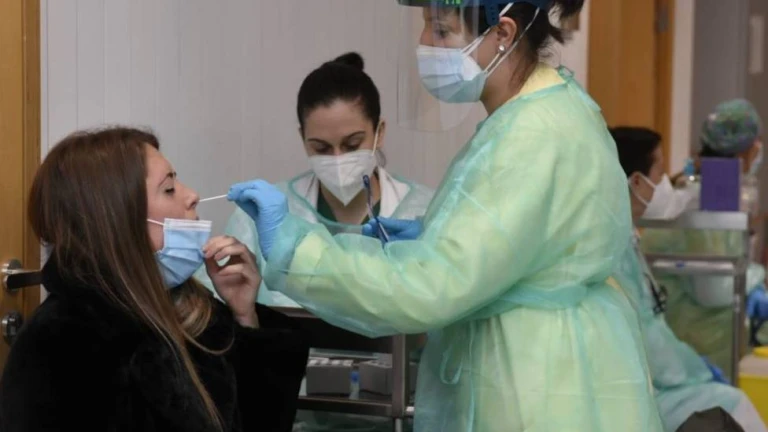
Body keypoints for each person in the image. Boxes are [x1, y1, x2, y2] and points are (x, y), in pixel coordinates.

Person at [227, 1, 663, 431]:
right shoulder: (546, 107)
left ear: (503, 33)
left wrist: (293, 248)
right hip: (551, 369)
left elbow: (428, 289)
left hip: (532, 384)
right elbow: (531, 243)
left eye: (440, 29)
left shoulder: (530, 135)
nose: (424, 42)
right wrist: (435, 234)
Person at [0, 127, 309, 432]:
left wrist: (244, 316)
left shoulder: (194, 309)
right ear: (117, 219)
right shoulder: (58, 345)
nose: (192, 196)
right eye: (169, 188)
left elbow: (257, 419)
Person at [205, 52, 433, 308]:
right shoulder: (259, 219)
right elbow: (220, 310)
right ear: (303, 138)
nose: (337, 159)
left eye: (352, 144)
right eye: (321, 148)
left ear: (379, 133)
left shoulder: (425, 212)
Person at [610, 126, 767, 432]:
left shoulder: (626, 239)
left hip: (665, 369)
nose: (666, 183)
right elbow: (710, 292)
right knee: (732, 406)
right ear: (636, 181)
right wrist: (694, 370)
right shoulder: (613, 249)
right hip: (656, 378)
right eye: (659, 172)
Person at [641, 99, 767, 376]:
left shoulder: (711, 194)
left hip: (706, 339)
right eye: (756, 145)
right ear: (745, 152)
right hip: (693, 343)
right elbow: (713, 291)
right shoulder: (702, 201)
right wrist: (754, 280)